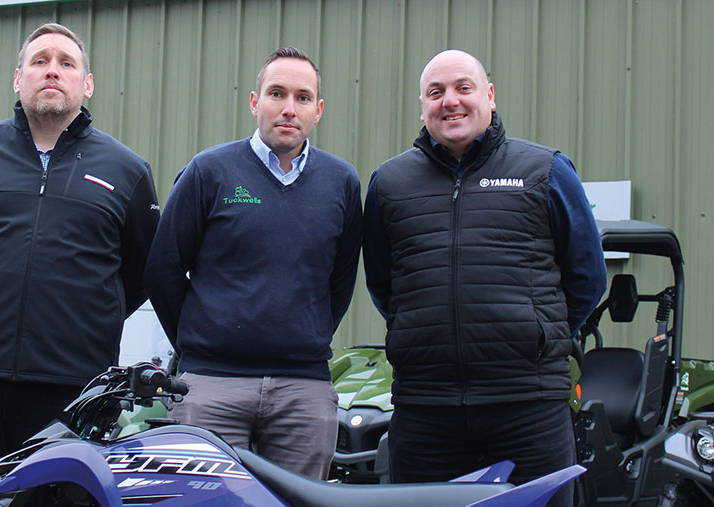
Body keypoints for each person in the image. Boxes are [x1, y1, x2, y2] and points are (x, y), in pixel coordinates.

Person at [0, 23, 160, 507]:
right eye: (40, 61)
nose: (52, 71)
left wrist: (80, 319)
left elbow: (141, 271)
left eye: (67, 63)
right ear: (17, 78)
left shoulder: (126, 170)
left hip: (69, 393)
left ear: (87, 85)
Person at [362, 49, 606, 506]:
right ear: (422, 106)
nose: (449, 101)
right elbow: (385, 283)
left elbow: (587, 277)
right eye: (436, 92)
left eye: (463, 88)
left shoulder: (546, 170)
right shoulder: (389, 184)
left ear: (489, 97)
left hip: (528, 407)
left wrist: (536, 337)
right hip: (424, 411)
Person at [144, 47, 362, 480]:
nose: (288, 108)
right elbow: (163, 270)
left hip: (303, 390)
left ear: (317, 111)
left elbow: (340, 280)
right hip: (210, 385)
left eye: (302, 98)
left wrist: (305, 333)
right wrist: (199, 342)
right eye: (276, 93)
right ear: (253, 102)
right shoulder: (209, 171)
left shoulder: (342, 182)